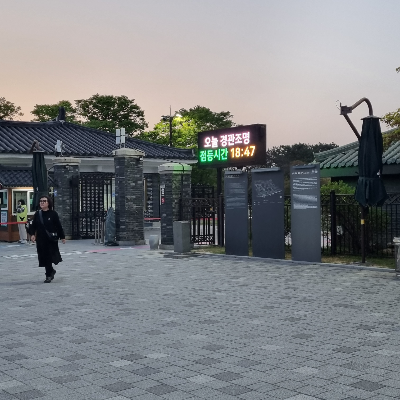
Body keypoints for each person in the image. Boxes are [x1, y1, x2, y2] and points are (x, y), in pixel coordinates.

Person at [29, 195, 66, 283]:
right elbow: (33, 226)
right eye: (41, 201)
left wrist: (62, 237)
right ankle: (50, 272)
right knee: (44, 257)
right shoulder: (38, 214)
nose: (42, 202)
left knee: (49, 256)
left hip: (51, 240)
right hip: (41, 239)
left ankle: (49, 274)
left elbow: (58, 226)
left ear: (48, 203)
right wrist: (32, 234)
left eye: (44, 201)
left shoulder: (53, 214)